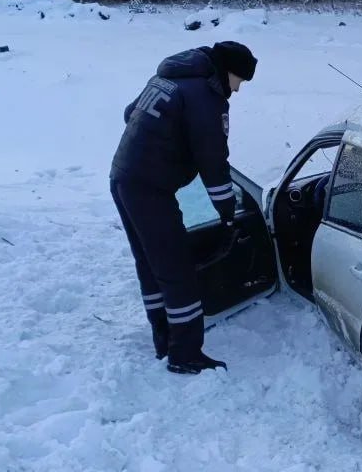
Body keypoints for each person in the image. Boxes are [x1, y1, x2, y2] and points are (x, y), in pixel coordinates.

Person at [109, 41, 257, 374]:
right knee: (178, 270)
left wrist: (160, 141)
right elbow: (213, 160)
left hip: (122, 177)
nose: (239, 89)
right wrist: (227, 212)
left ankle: (164, 338)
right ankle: (185, 353)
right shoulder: (206, 96)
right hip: (149, 189)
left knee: (150, 263)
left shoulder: (170, 77)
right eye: (241, 81)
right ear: (230, 71)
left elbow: (129, 113)